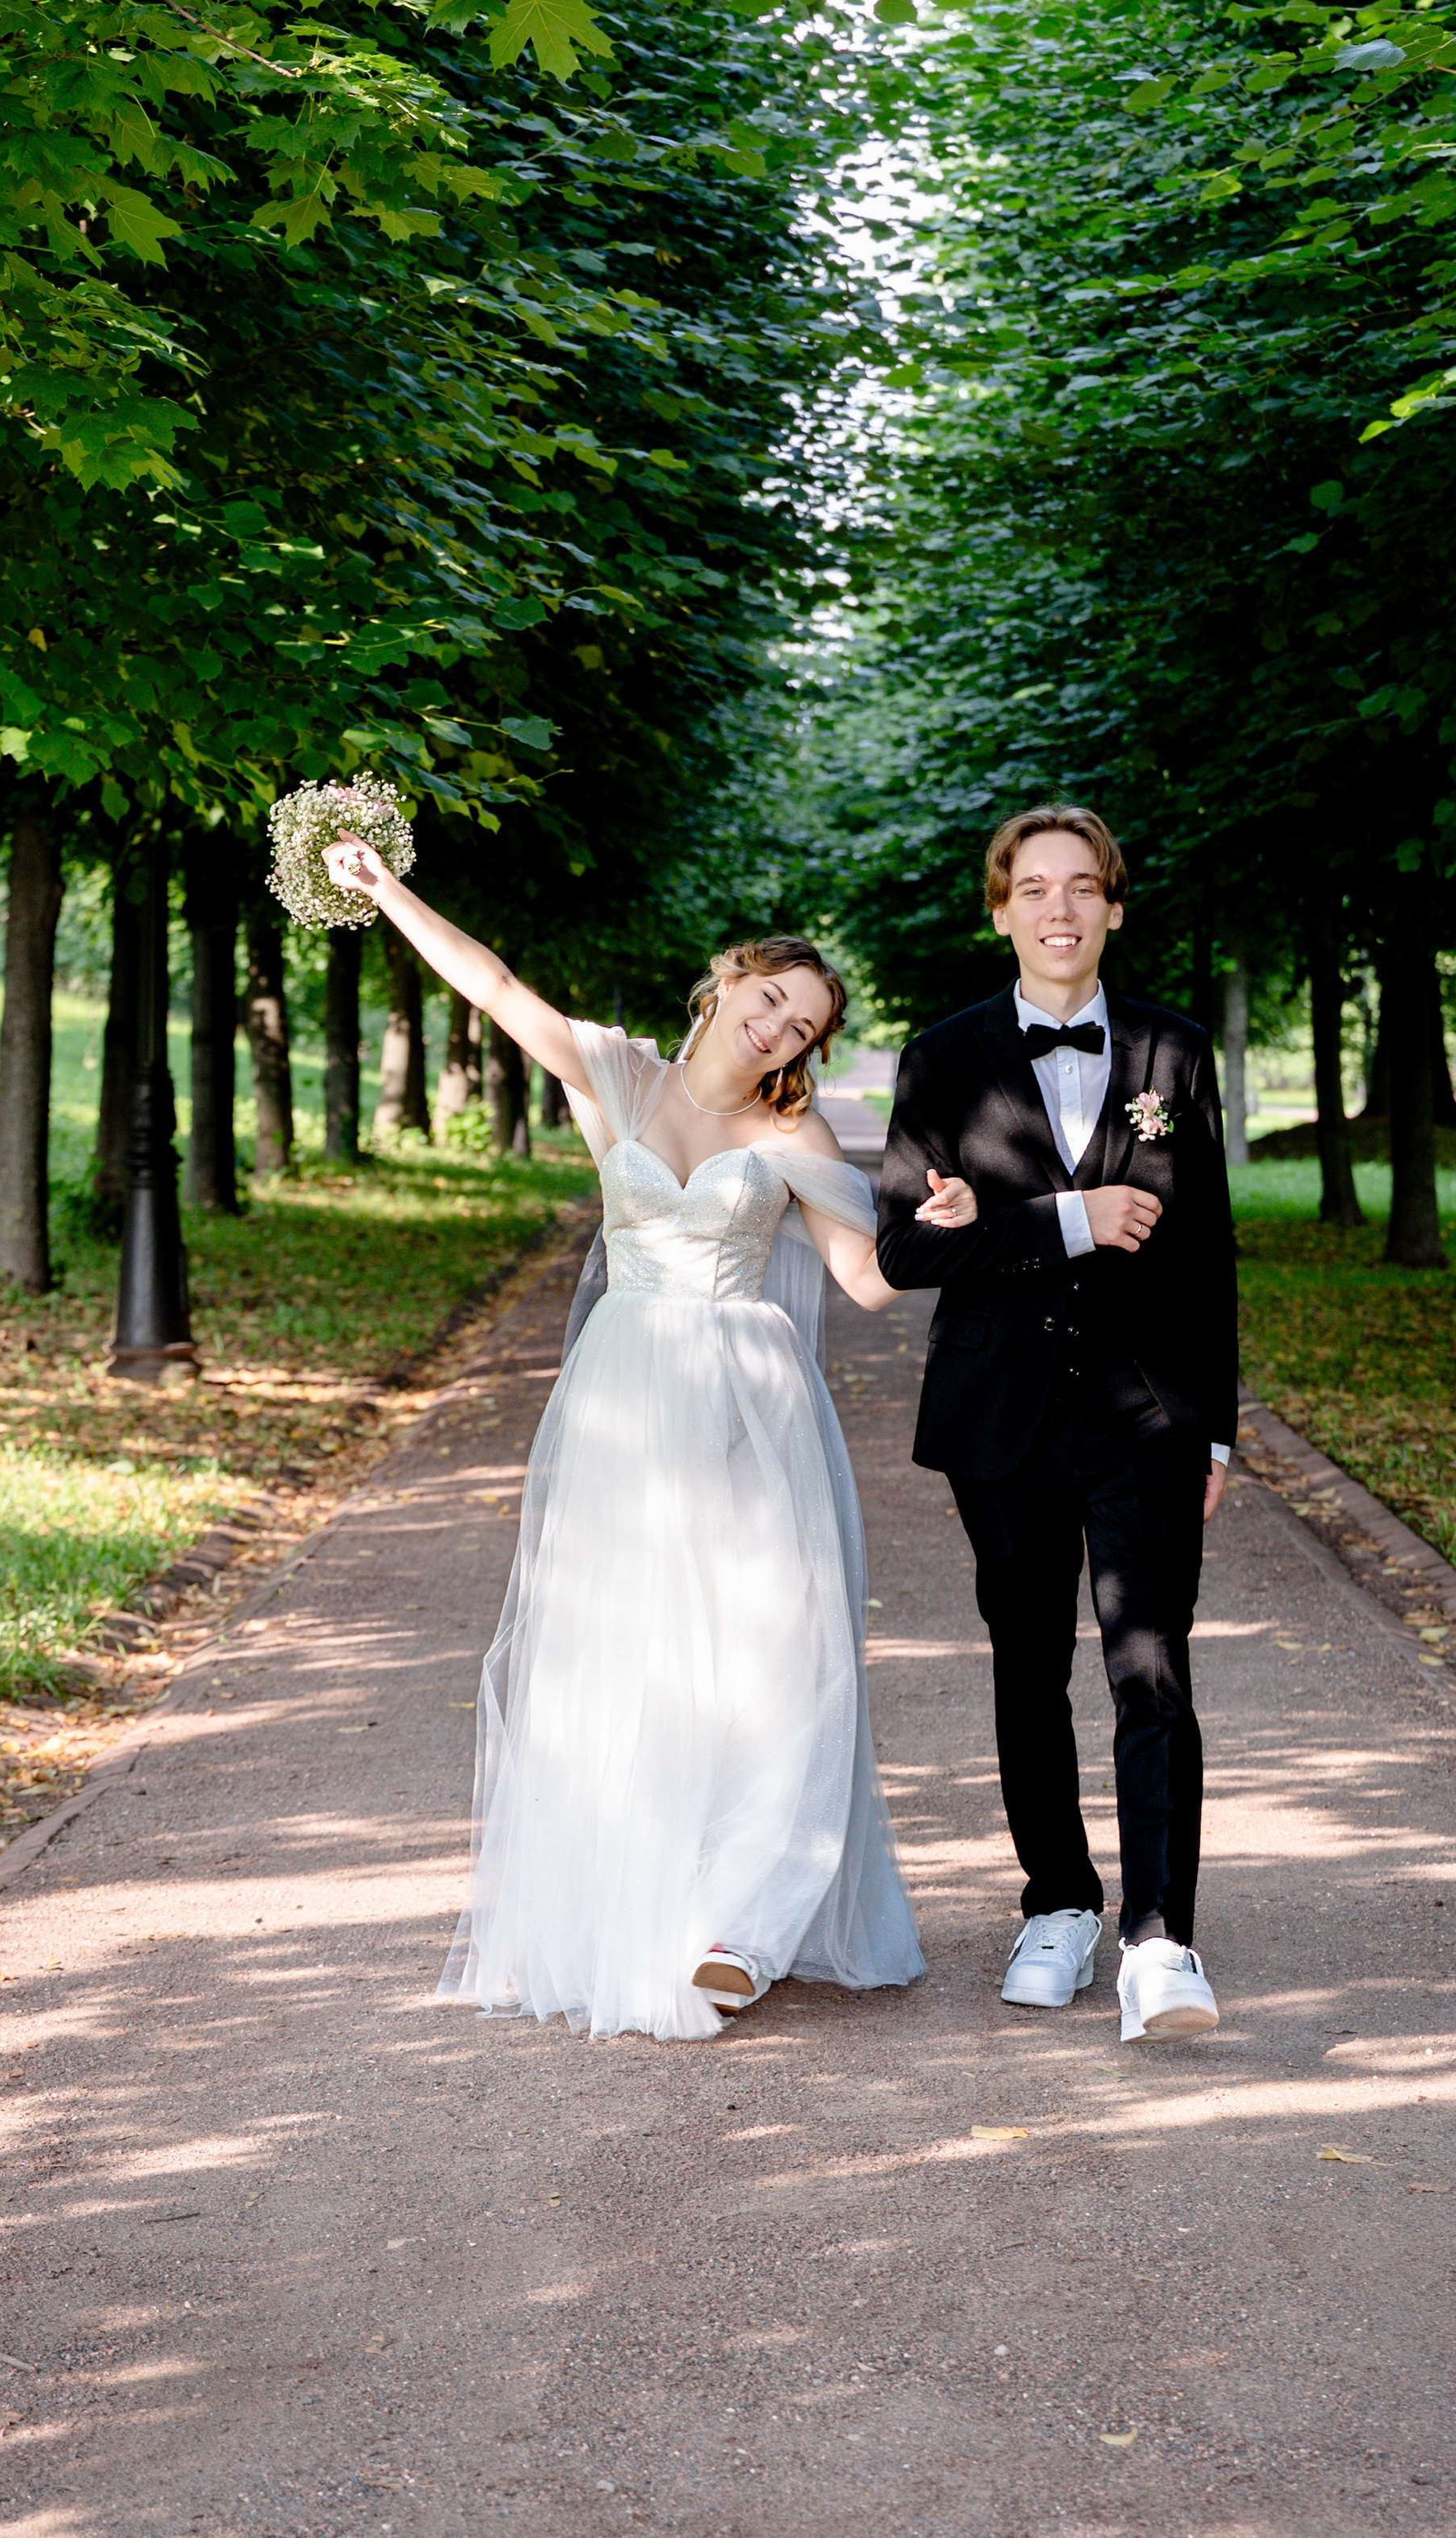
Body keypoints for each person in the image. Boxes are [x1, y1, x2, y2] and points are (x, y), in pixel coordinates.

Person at [321, 839, 973, 2042]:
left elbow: (869, 1283)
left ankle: (743, 1924)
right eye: (771, 998)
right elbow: (496, 989)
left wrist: (947, 1227)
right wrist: (384, 888)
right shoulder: (618, 1075)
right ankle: (630, 1902)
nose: (777, 1030)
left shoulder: (796, 1139)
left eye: (803, 1027)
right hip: (623, 1397)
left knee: (768, 1649)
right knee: (626, 1650)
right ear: (729, 980)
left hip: (749, 1400)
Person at [875, 806, 1239, 2044]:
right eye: (1033, 889)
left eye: (1083, 886)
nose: (1060, 909)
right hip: (1002, 1419)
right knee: (1028, 1667)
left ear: (1114, 907)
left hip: (1147, 1411)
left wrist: (1216, 1429)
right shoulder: (942, 1059)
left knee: (1152, 1664)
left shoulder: (1175, 1051)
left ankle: (1160, 1936)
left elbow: (1207, 1251)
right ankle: (1059, 1902)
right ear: (1001, 911)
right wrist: (1065, 1220)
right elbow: (904, 1250)